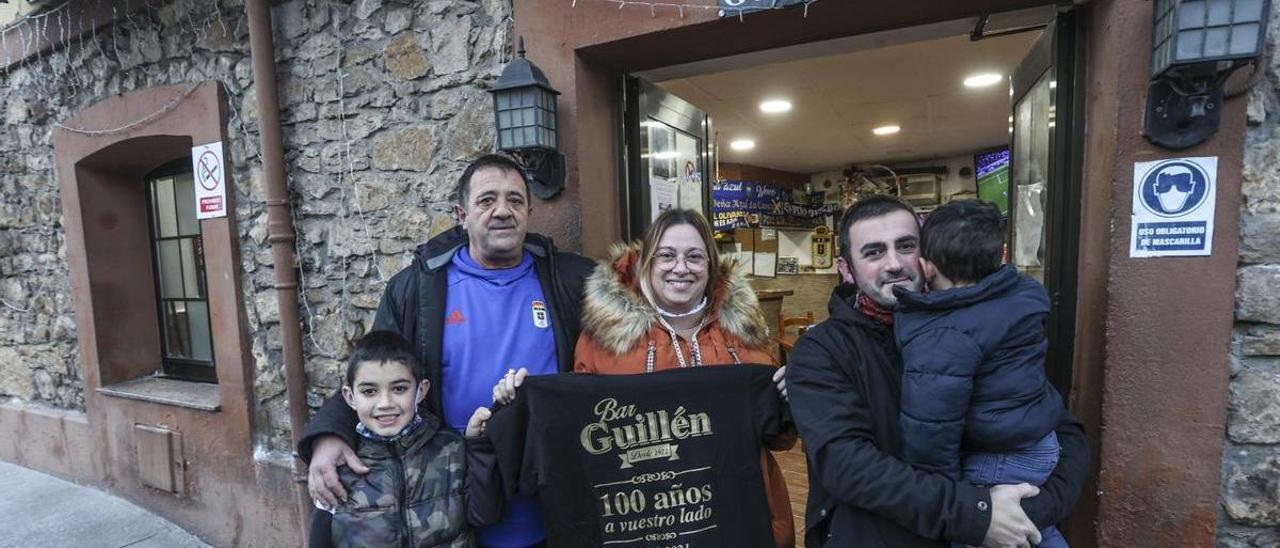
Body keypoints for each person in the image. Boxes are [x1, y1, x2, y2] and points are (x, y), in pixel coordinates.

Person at [298, 154, 597, 548]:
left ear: (529, 210)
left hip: (544, 481)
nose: (503, 211)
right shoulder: (418, 289)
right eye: (487, 200)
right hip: (449, 491)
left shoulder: (569, 278)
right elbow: (374, 368)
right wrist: (327, 435)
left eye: (515, 200)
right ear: (461, 214)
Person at [786, 195, 1089, 548]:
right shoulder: (822, 351)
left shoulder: (981, 324)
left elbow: (1060, 428)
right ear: (845, 268)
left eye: (906, 245)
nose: (895, 263)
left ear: (928, 256)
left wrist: (1033, 511)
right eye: (873, 252)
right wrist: (977, 515)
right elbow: (848, 467)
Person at [571, 208, 796, 547]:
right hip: (647, 523)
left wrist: (790, 400)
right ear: (647, 261)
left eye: (694, 257)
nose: (680, 268)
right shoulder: (605, 337)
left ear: (710, 265)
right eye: (666, 256)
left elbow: (777, 438)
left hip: (741, 521)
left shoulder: (744, 331)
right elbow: (581, 432)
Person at [893, 200, 1069, 547]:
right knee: (1034, 531)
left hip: (997, 459)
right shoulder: (1022, 297)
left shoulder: (943, 336)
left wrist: (948, 506)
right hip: (1041, 443)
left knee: (984, 531)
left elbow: (931, 429)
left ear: (926, 268)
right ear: (1001, 256)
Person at [312, 331, 501, 547]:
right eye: (369, 391)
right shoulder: (338, 466)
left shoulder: (451, 449)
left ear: (421, 391)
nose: (385, 403)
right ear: (350, 397)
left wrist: (479, 446)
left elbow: (485, 515)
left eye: (399, 389)